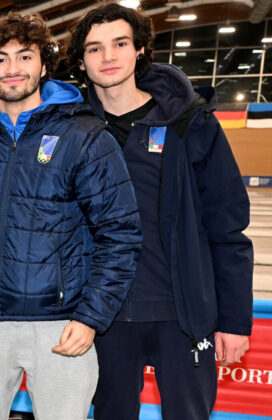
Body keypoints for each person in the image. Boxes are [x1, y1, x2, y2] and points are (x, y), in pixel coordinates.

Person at [0, 12, 141, 419]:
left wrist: (91, 317)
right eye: (0, 59)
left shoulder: (84, 136)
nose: (13, 68)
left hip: (62, 324)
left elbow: (121, 234)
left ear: (43, 66)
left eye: (25, 56)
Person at [69, 4, 252, 417]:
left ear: (139, 50)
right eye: (95, 48)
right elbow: (14, 96)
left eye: (120, 44)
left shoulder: (191, 124)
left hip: (182, 313)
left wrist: (234, 320)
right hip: (102, 315)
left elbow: (227, 227)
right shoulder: (72, 127)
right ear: (81, 61)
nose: (108, 56)